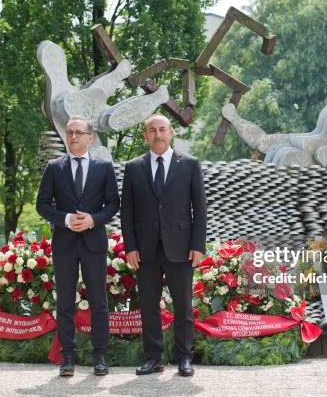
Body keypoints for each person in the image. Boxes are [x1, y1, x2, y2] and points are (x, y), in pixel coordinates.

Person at [120, 114, 207, 377]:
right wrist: (130, 247)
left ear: (171, 133)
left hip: (180, 247)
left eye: (162, 129)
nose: (157, 134)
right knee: (148, 305)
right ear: (145, 135)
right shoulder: (134, 167)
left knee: (182, 305)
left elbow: (199, 208)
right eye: (151, 130)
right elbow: (127, 211)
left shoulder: (189, 164)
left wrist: (197, 245)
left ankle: (184, 358)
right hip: (145, 249)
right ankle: (154, 358)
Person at [36, 115, 119, 377]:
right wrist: (66, 219)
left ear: (90, 137)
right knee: (65, 304)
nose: (73, 136)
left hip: (94, 243)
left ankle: (100, 357)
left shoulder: (104, 167)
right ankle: (67, 358)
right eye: (70, 132)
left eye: (79, 132)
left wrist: (94, 219)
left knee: (99, 302)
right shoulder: (54, 167)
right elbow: (42, 205)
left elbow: (113, 204)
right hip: (65, 244)